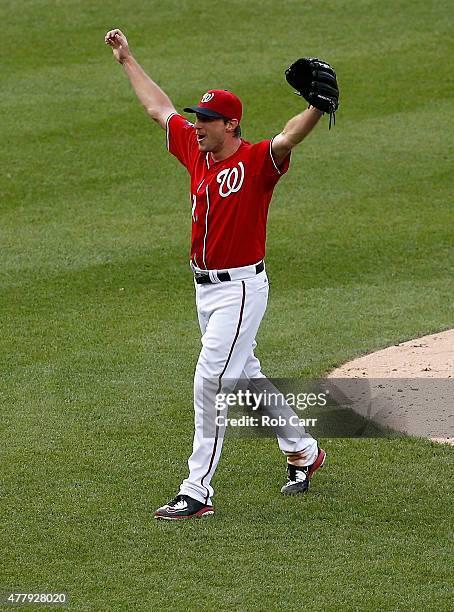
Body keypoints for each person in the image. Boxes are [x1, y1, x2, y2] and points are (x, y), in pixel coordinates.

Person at [105, 29, 327, 520]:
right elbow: (159, 109)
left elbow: (289, 137)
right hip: (204, 290)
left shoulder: (255, 161)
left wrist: (316, 106)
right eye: (197, 118)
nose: (197, 125)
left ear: (231, 124)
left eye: (206, 120)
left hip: (241, 289)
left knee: (211, 380)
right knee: (246, 375)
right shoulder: (195, 151)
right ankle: (305, 452)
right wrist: (127, 60)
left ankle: (197, 489)